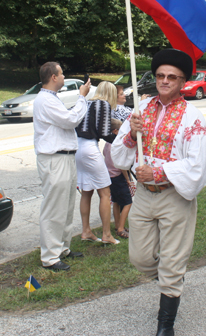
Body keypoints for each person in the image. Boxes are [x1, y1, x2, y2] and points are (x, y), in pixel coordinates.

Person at [111, 49, 206, 336]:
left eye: (172, 77)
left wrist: (161, 172)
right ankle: (172, 278)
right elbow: (118, 158)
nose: (164, 81)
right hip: (142, 197)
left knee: (172, 262)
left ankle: (165, 325)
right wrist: (131, 134)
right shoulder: (140, 111)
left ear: (182, 82)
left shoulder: (192, 117)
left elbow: (198, 166)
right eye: (160, 76)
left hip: (174, 197)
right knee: (140, 259)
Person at [33, 61, 91, 271]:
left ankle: (63, 249)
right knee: (54, 208)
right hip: (54, 159)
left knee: (66, 206)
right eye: (62, 73)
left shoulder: (52, 99)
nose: (64, 77)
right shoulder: (45, 100)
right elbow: (70, 120)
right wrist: (82, 97)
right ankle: (49, 257)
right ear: (54, 77)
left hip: (65, 157)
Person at [75, 81, 119, 245]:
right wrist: (121, 141)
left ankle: (86, 231)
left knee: (86, 191)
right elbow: (104, 132)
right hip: (90, 148)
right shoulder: (103, 104)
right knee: (105, 193)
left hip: (78, 148)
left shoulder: (86, 102)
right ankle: (107, 234)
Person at [104, 118, 133, 239]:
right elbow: (121, 165)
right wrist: (128, 179)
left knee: (116, 201)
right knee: (127, 203)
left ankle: (117, 225)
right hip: (118, 176)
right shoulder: (116, 145)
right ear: (115, 131)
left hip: (110, 177)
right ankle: (121, 228)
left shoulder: (107, 144)